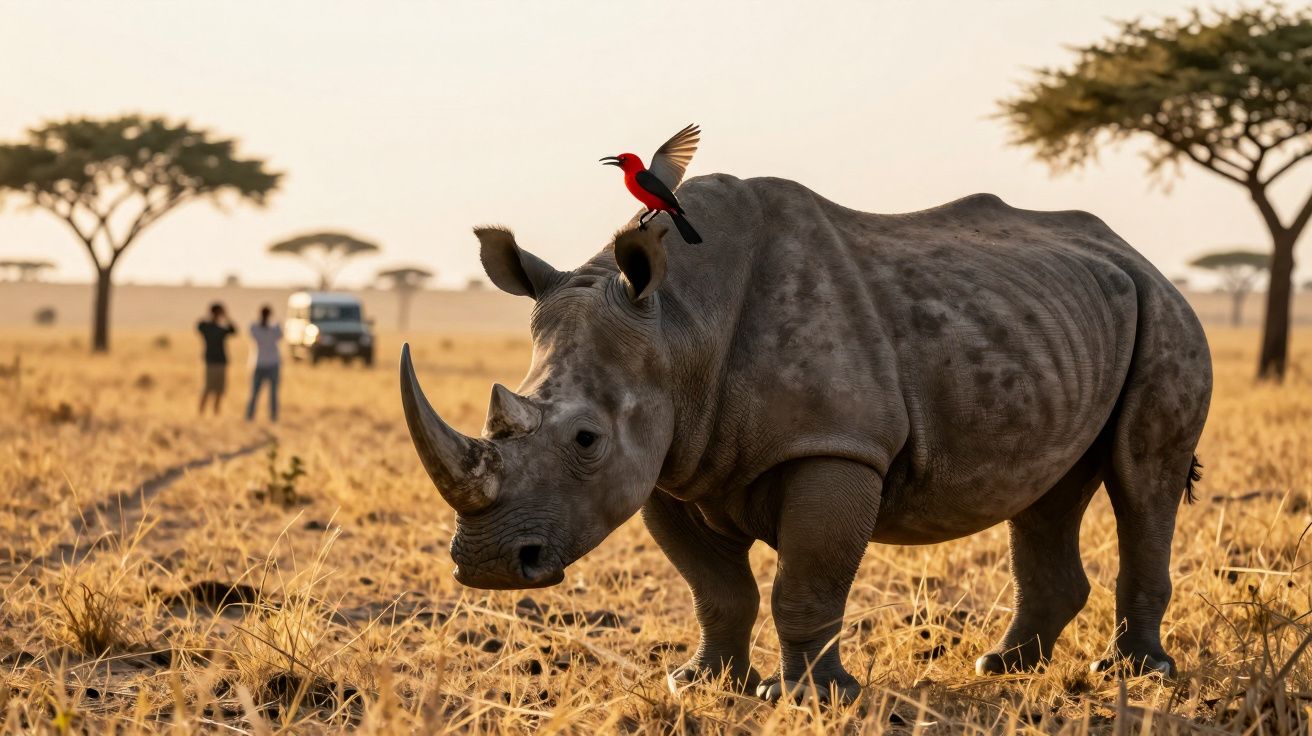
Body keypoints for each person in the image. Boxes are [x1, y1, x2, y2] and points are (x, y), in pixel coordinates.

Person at [197, 302, 236, 414]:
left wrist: (226, 317)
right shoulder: (206, 326)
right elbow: (199, 326)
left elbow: (234, 330)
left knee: (219, 389)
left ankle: (216, 411)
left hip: (221, 361)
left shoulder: (220, 328)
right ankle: (201, 411)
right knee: (208, 388)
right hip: (211, 361)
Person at [246, 305, 283, 421]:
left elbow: (252, 330)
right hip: (272, 363)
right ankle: (273, 418)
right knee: (272, 394)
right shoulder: (274, 328)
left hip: (259, 363)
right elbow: (280, 335)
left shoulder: (255, 328)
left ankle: (249, 417)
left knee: (255, 393)